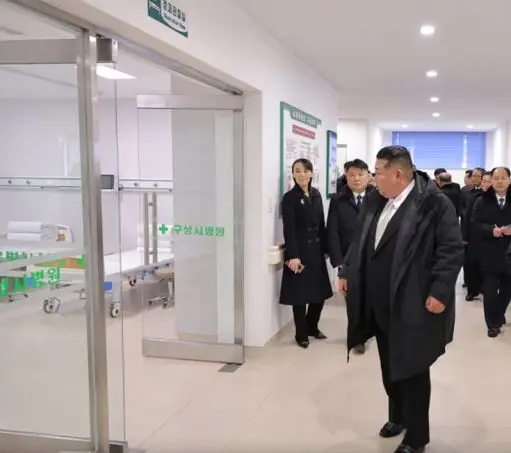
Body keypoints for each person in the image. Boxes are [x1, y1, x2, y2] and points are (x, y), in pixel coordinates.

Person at [339, 146, 463, 453]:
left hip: (414, 302)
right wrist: (347, 270)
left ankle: (417, 438)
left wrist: (440, 291)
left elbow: (450, 249)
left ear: (398, 174)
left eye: (377, 172)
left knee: (413, 368)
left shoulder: (433, 204)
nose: (372, 178)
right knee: (390, 365)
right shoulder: (376, 199)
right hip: (379, 300)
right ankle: (398, 416)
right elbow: (360, 240)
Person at [279, 158, 333, 349]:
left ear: (311, 173)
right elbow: (289, 229)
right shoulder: (289, 198)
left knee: (319, 294)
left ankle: (312, 327)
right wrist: (293, 255)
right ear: (293, 174)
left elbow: (321, 224)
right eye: (297, 171)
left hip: (316, 251)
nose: (301, 174)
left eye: (305, 171)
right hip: (299, 252)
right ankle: (301, 334)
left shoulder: (316, 194)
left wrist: (326, 249)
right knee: (300, 296)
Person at [327, 158, 374, 354]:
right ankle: (356, 339)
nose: (356, 179)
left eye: (360, 174)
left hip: (373, 258)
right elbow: (332, 232)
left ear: (368, 175)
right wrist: (338, 262)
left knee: (370, 299)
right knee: (352, 300)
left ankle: (368, 330)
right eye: (352, 175)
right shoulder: (338, 200)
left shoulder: (378, 197)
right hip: (348, 260)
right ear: (346, 177)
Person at [472, 167, 511, 337]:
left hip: (509, 253)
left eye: (503, 178)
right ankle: (493, 324)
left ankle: (498, 314)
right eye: (496, 178)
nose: (499, 181)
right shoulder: (482, 201)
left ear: (509, 180)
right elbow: (475, 224)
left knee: (507, 290)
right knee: (489, 291)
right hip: (489, 252)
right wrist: (490, 230)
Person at [462, 171, 492, 301]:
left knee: (487, 264)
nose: (486, 184)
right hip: (474, 236)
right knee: (471, 263)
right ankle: (472, 290)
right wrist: (465, 236)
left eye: (488, 181)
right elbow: (467, 217)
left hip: (492, 236)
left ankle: (485, 288)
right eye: (484, 181)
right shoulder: (474, 196)